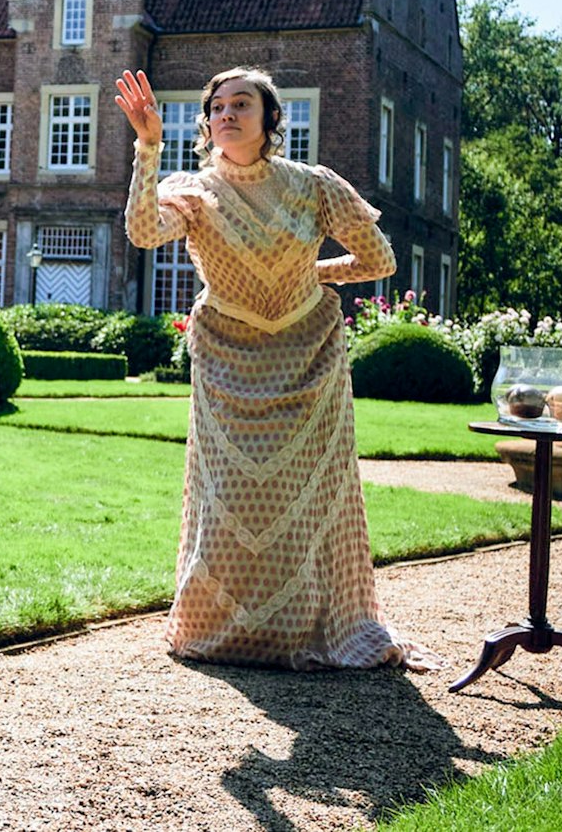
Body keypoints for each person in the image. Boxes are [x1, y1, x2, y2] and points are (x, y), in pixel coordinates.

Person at [113, 66, 433, 670]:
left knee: (306, 496)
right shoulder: (194, 189)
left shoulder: (313, 186)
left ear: (269, 120)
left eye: (242, 104)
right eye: (218, 107)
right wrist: (147, 145)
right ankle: (223, 627)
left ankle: (305, 627)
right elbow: (141, 231)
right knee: (230, 497)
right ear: (207, 124)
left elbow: (379, 260)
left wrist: (308, 276)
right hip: (227, 358)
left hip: (309, 356)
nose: (227, 114)